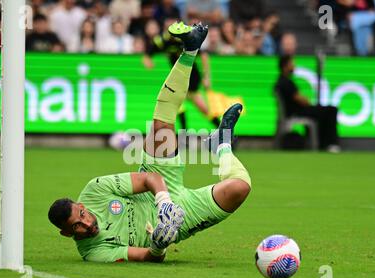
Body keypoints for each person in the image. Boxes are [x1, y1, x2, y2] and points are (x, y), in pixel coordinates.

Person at [48, 22, 251, 263]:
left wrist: (164, 203)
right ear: (66, 233)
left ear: (81, 205)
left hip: (159, 189)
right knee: (241, 187)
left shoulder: (95, 190)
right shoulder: (93, 251)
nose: (87, 222)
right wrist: (159, 244)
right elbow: (147, 257)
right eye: (77, 226)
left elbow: (148, 179)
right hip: (180, 220)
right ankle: (222, 144)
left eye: (82, 214)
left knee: (160, 127)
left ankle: (190, 49)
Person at [143, 18, 220, 130]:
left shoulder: (186, 38)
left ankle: (224, 132)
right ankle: (185, 136)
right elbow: (148, 53)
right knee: (178, 106)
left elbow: (203, 56)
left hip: (192, 78)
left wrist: (206, 76)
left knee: (203, 109)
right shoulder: (163, 40)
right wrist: (148, 61)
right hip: (178, 78)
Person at [275, 55, 341, 152]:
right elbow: (300, 99)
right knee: (331, 110)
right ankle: (331, 143)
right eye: (291, 64)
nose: (294, 66)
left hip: (296, 111)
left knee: (324, 111)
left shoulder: (281, 81)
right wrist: (306, 101)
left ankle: (323, 143)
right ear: (285, 66)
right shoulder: (286, 82)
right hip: (298, 112)